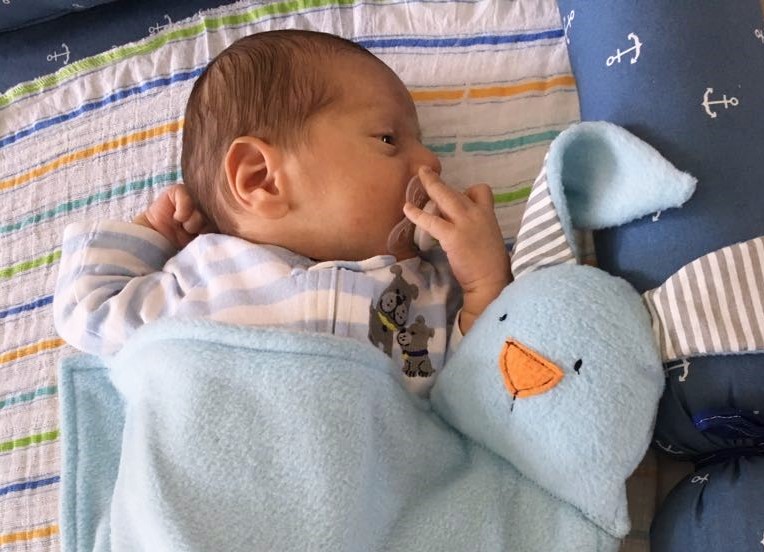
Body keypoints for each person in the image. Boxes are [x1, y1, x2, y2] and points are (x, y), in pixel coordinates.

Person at [53, 29, 511, 394]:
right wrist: (152, 233)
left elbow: (478, 391)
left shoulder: (424, 291)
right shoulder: (202, 277)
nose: (431, 162)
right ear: (261, 179)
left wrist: (484, 283)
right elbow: (88, 311)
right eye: (388, 139)